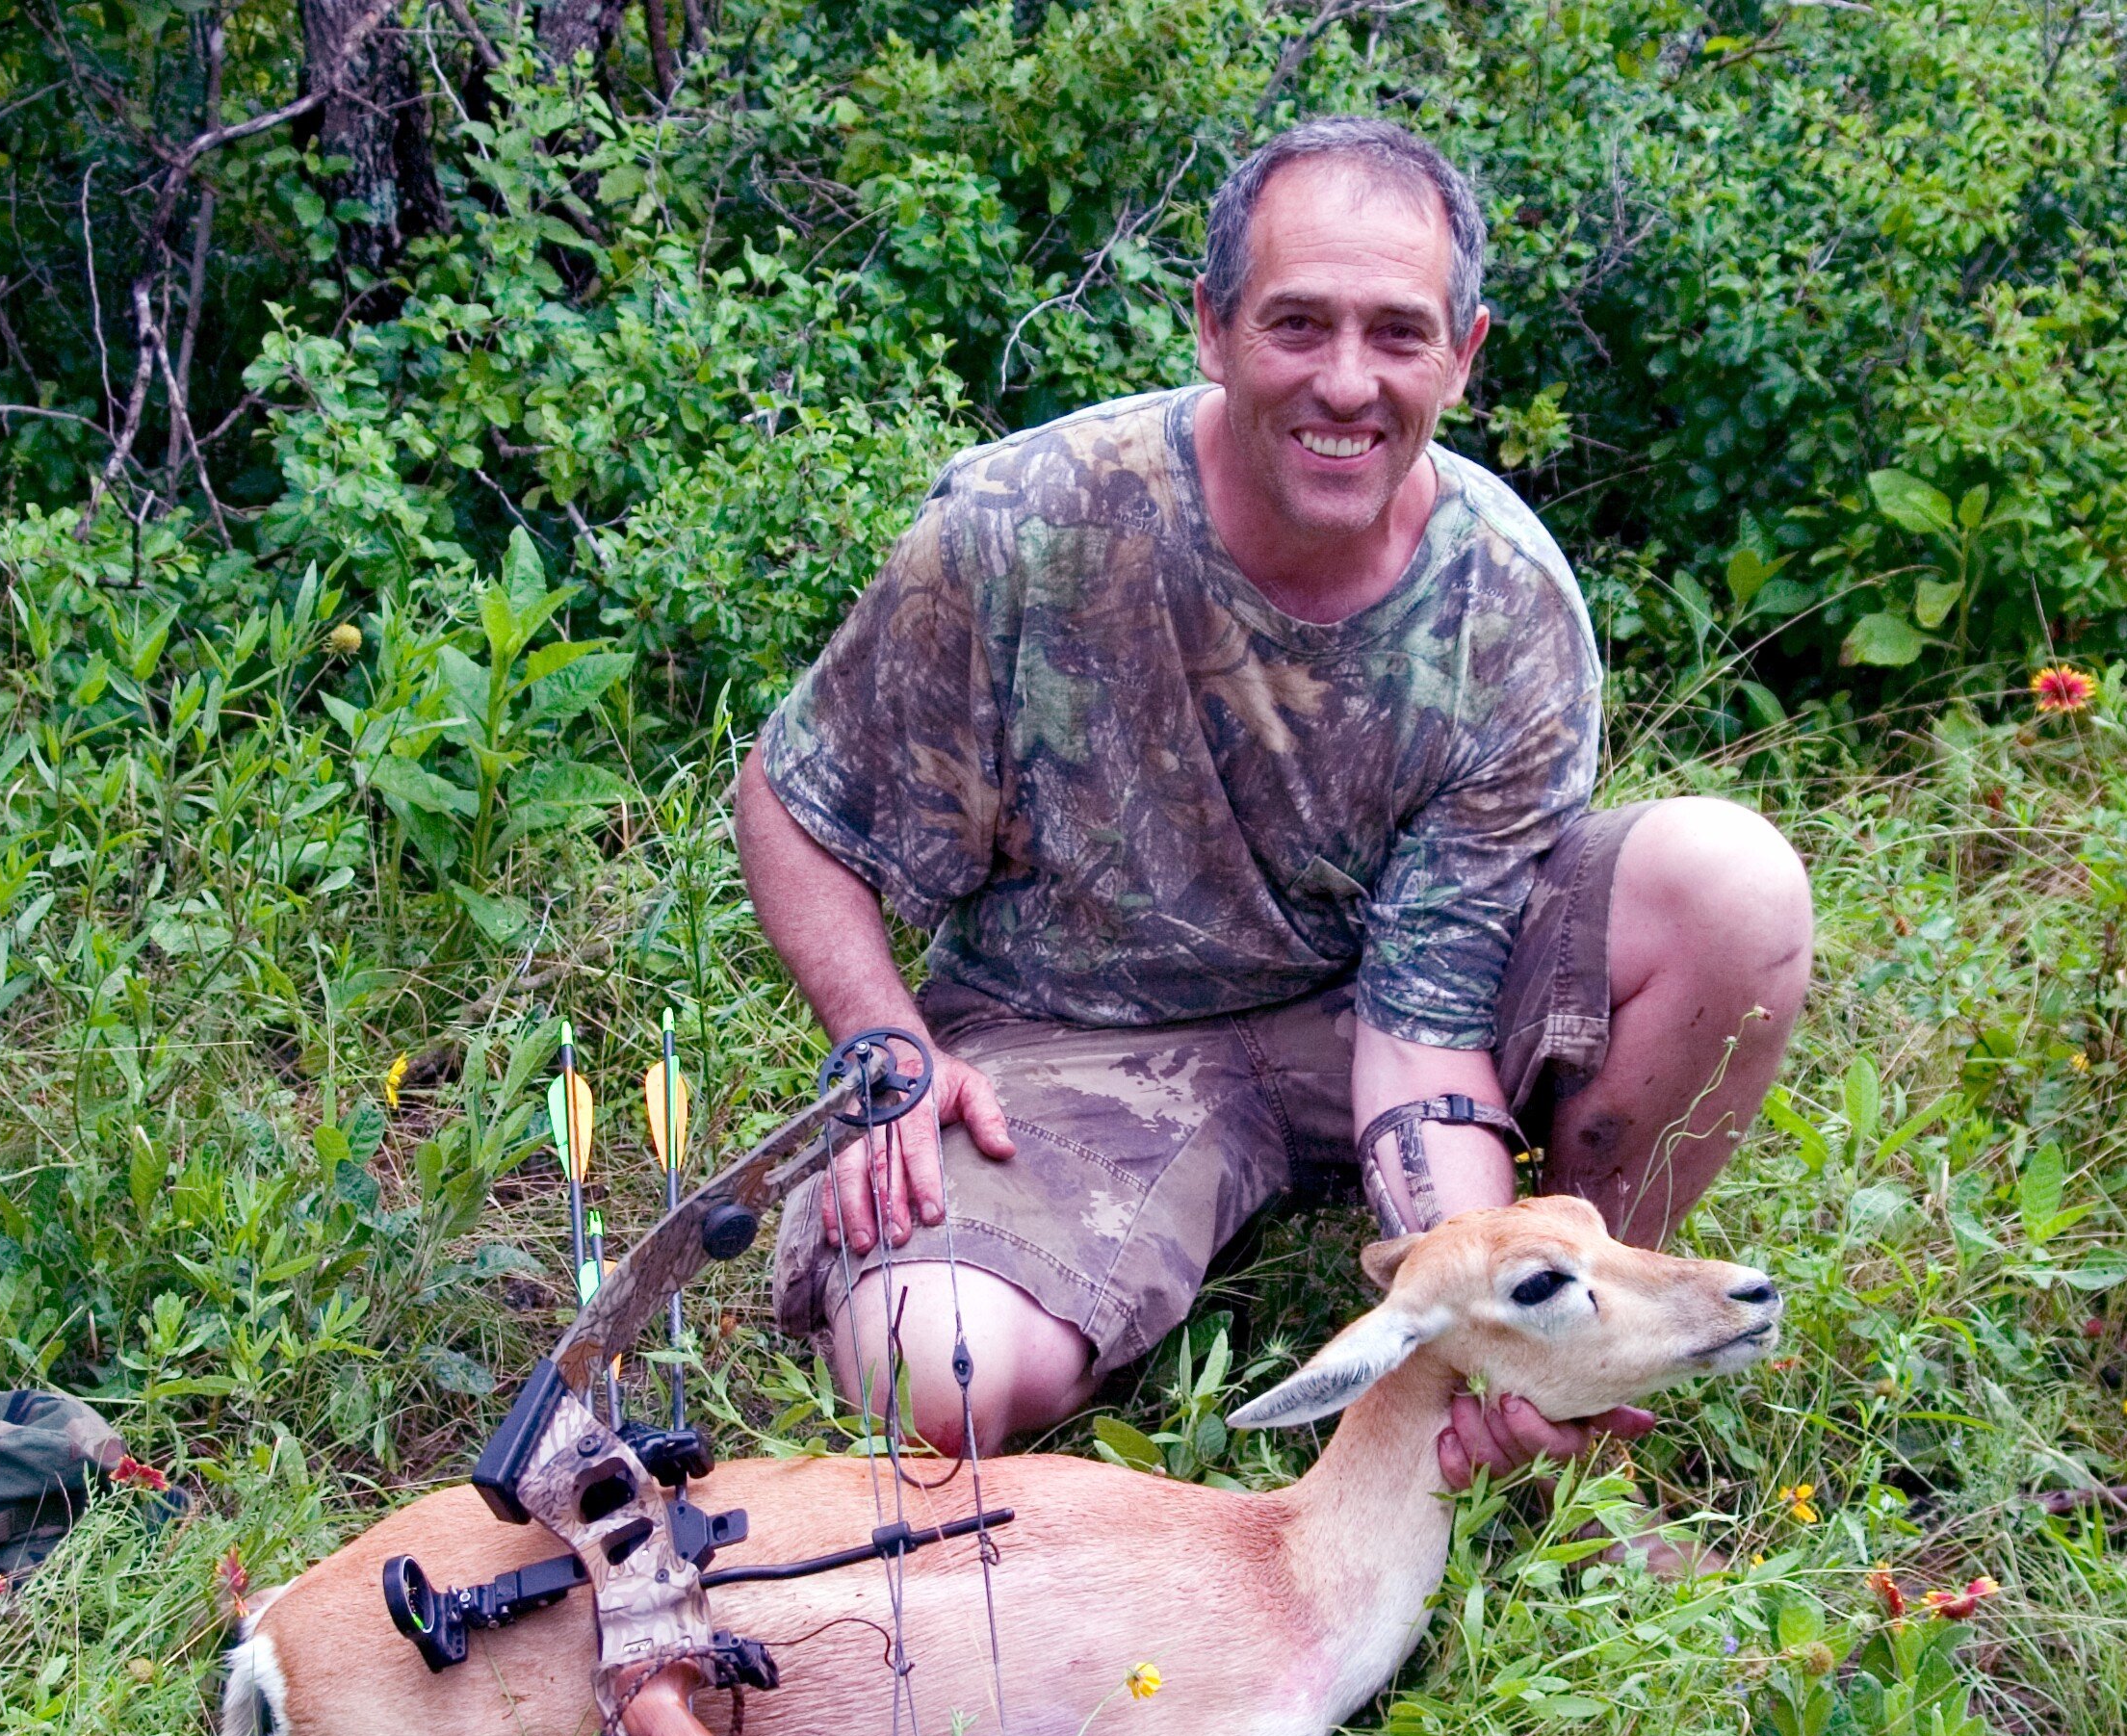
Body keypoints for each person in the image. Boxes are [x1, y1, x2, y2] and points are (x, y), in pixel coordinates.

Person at [736, 117, 1813, 1482]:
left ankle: (1560, 1373)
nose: (1347, 383)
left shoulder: (1510, 607)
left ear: (1464, 356)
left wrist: (1482, 1304)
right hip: (1069, 1040)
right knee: (929, 1374)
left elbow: (1426, 1024)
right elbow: (789, 803)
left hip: (1367, 1016)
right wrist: (886, 1057)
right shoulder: (1025, 524)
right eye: (1298, 325)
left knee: (1731, 882)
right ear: (1212, 328)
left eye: (1398, 334)